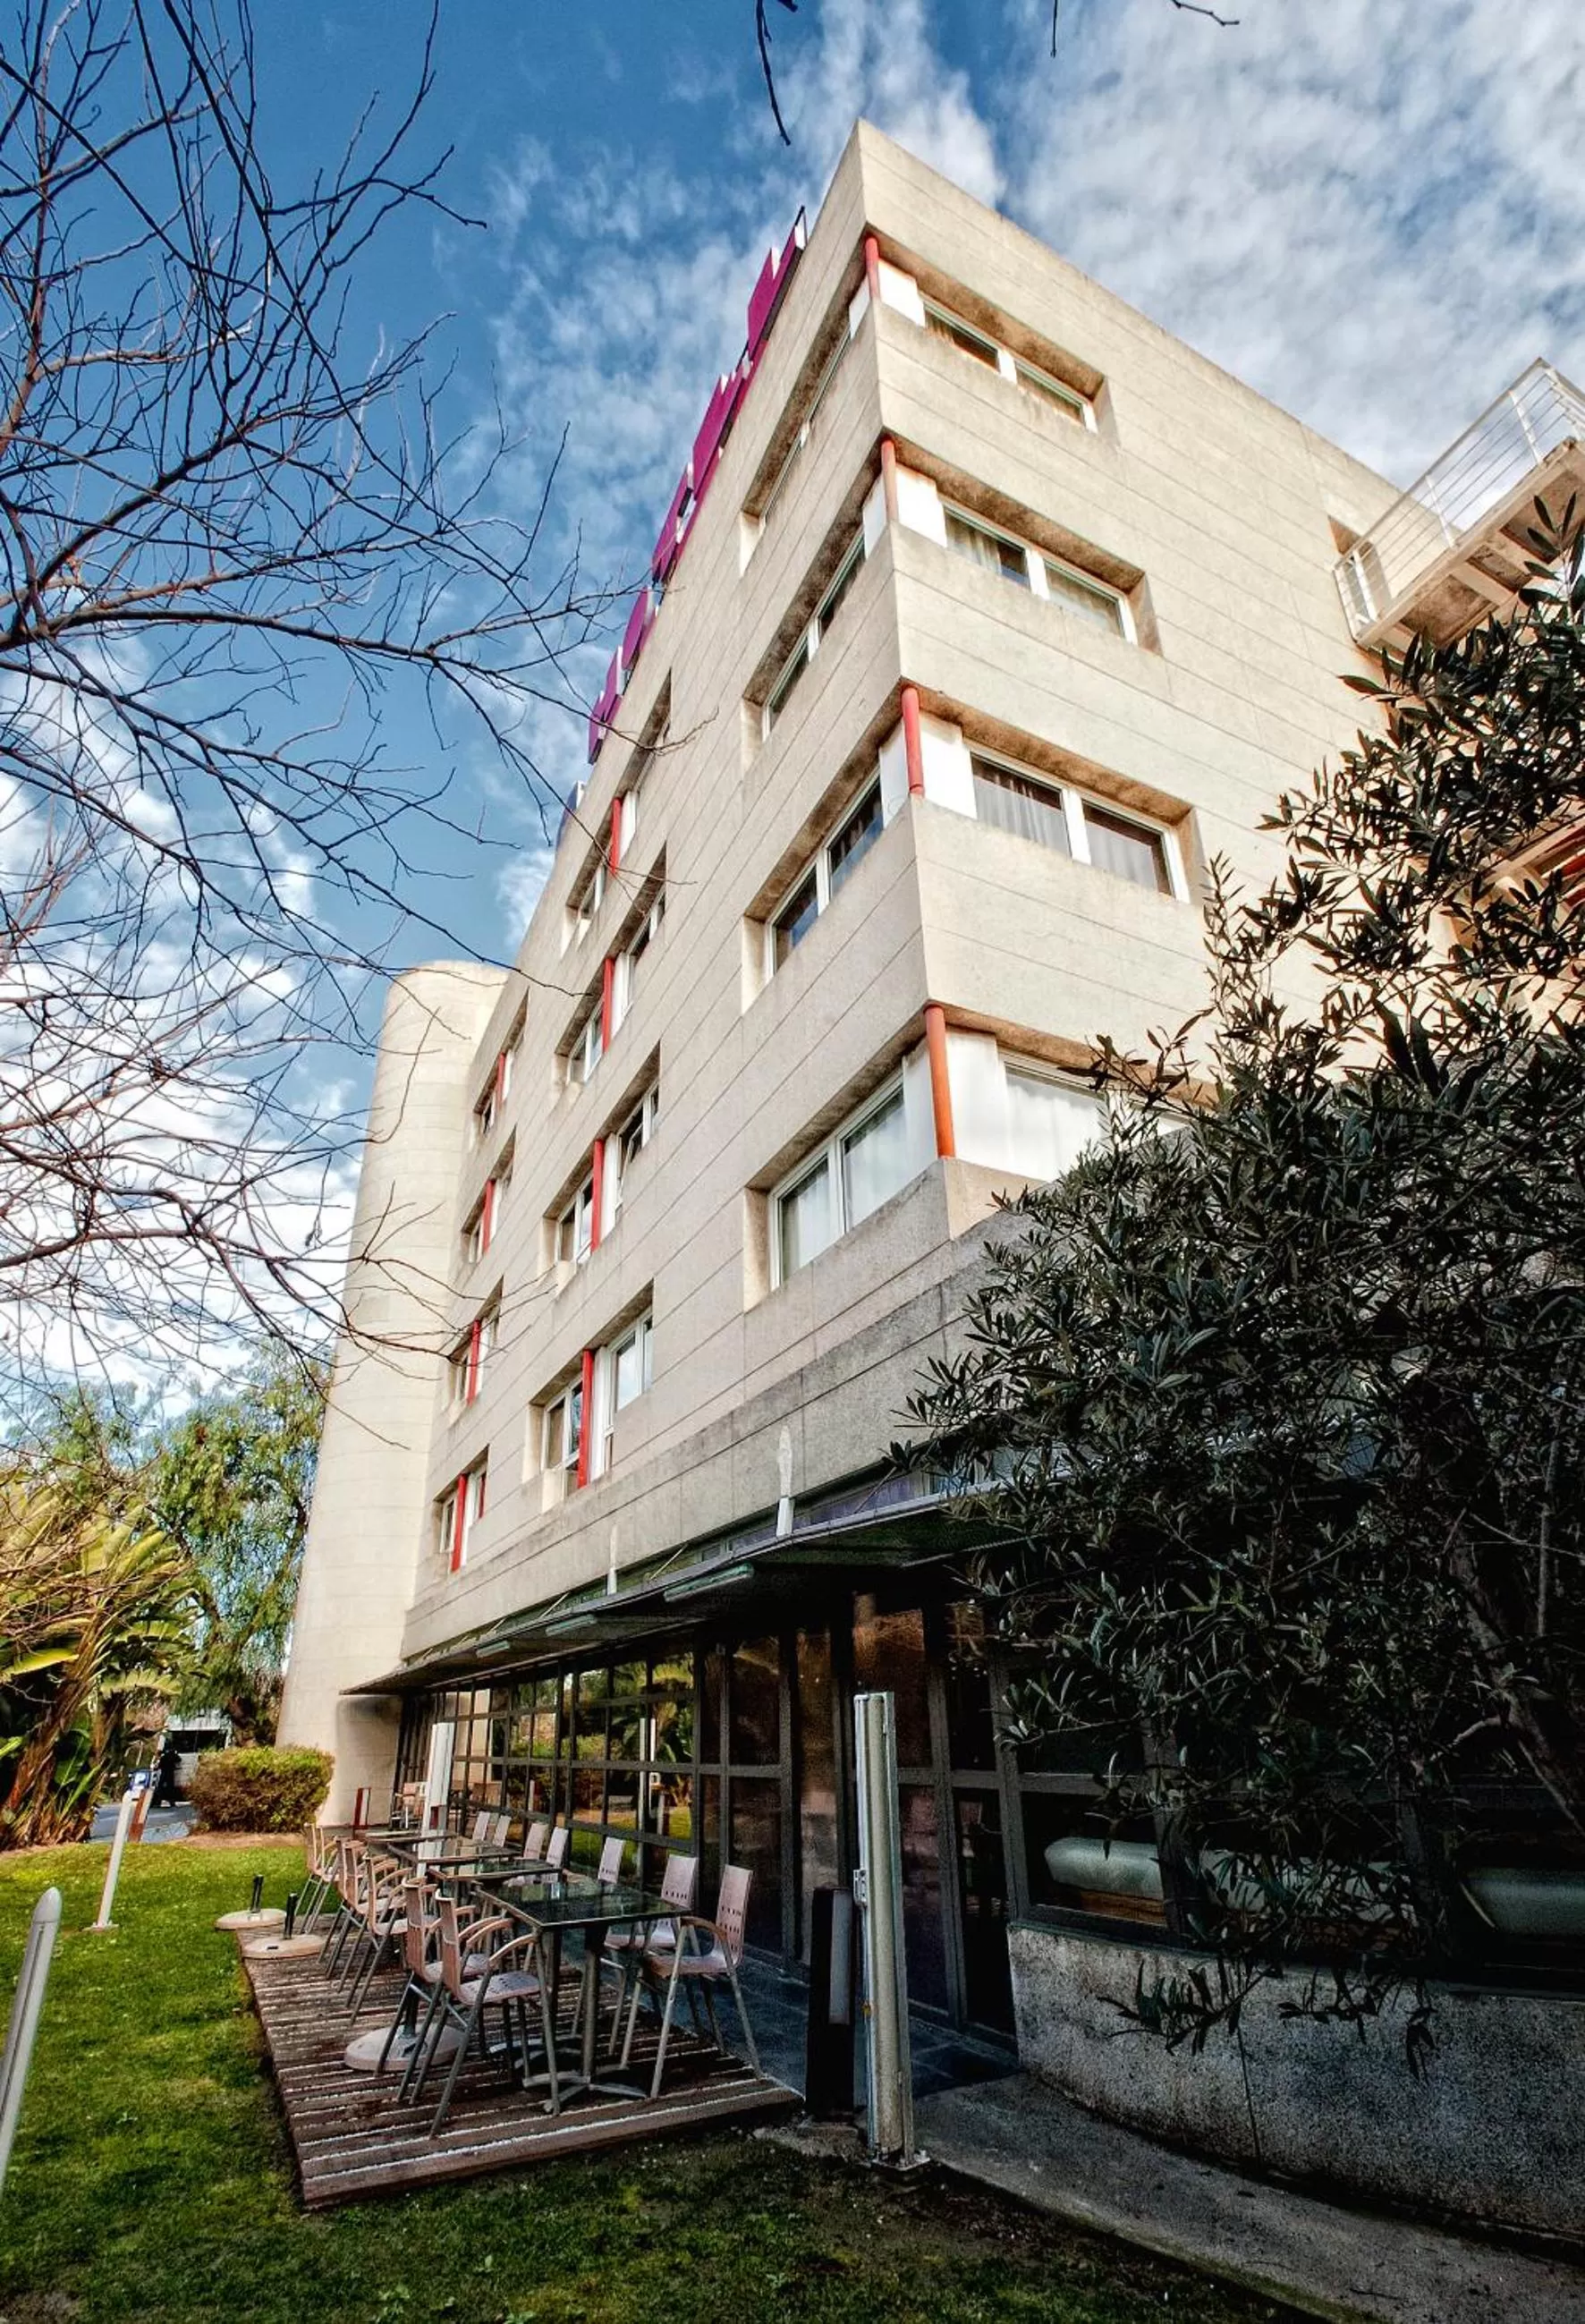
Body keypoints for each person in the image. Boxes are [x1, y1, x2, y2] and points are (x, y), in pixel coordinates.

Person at [152, 1735, 182, 1810]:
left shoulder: (164, 1756)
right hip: (170, 1773)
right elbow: (179, 1760)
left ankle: (158, 1801)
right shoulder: (172, 1755)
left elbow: (160, 1765)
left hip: (164, 1773)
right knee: (170, 1788)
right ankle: (171, 1802)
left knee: (160, 1787)